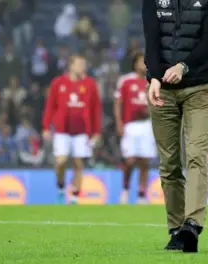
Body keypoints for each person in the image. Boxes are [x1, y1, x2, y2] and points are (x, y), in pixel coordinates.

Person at [143, 0, 208, 253]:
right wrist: (155, 76)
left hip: (200, 87)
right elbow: (151, 38)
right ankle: (176, 230)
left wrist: (183, 67)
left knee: (196, 156)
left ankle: (193, 224)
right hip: (163, 89)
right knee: (169, 165)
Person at [42, 55, 101, 204]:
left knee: (78, 163)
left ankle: (74, 196)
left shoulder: (90, 84)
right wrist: (46, 126)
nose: (83, 67)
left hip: (82, 131)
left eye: (84, 64)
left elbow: (96, 109)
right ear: (71, 66)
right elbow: (50, 106)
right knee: (61, 161)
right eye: (80, 64)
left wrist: (96, 132)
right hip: (62, 130)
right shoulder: (58, 83)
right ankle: (61, 187)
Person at [114, 52, 155, 204]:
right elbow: (118, 103)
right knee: (129, 161)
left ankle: (141, 194)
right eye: (141, 62)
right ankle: (125, 190)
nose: (144, 65)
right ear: (135, 64)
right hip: (130, 125)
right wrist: (119, 123)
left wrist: (149, 110)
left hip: (147, 125)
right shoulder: (125, 81)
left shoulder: (153, 81)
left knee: (145, 161)